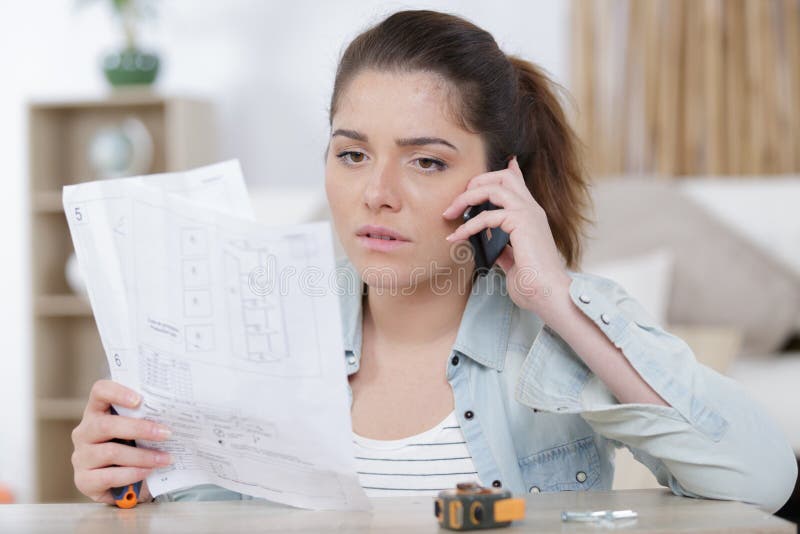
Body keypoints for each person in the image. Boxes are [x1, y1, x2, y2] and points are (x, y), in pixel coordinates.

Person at [70, 9, 796, 512]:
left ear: (498, 182)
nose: (375, 194)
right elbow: (205, 514)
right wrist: (130, 484)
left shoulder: (559, 328)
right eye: (351, 154)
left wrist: (557, 302)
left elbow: (761, 481)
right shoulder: (256, 323)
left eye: (424, 161)